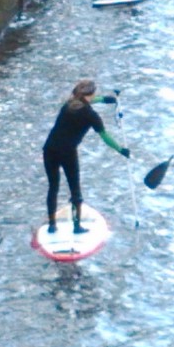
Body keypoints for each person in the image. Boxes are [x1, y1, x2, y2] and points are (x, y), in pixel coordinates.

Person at [42, 80, 128, 234]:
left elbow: (87, 100)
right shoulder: (91, 116)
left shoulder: (68, 104)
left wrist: (105, 100)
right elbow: (105, 137)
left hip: (50, 150)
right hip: (67, 153)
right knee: (75, 191)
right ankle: (77, 227)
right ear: (91, 94)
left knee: (53, 187)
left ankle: (52, 226)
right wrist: (121, 150)